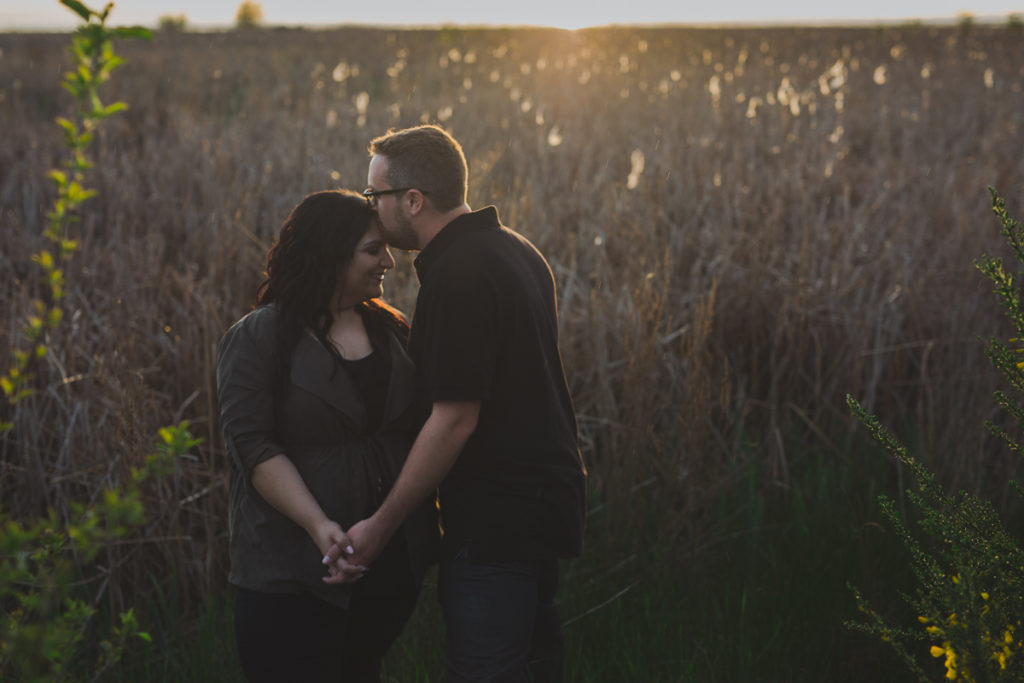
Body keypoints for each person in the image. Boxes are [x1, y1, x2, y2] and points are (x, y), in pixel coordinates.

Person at [324, 125, 587, 682]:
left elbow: (455, 419)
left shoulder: (456, 277)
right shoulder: (517, 250)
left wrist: (382, 524)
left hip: (494, 523)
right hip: (540, 511)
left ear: (413, 200)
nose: (371, 210)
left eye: (376, 197)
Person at [216, 189, 438, 683]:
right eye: (373, 250)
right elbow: (253, 448)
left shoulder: (393, 330)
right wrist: (321, 528)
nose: (389, 263)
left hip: (386, 570)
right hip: (293, 576)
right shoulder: (259, 337)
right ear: (330, 254)